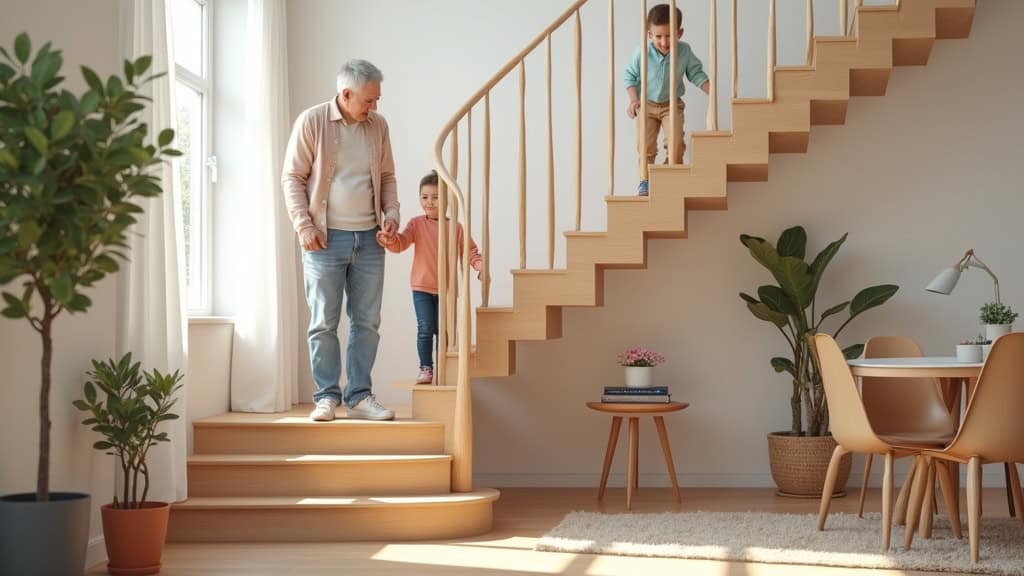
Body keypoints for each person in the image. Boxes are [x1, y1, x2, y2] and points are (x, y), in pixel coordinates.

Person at [282, 59, 400, 422]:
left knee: (367, 322)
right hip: (323, 240)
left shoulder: (378, 126)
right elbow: (292, 178)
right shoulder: (312, 121)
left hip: (369, 239)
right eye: (368, 100)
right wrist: (304, 226)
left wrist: (392, 215)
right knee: (323, 322)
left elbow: (388, 177)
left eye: (377, 99)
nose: (374, 107)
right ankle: (326, 397)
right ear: (345, 94)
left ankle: (360, 395)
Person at [377, 171, 482, 385]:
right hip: (421, 287)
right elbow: (402, 243)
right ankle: (426, 368)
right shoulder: (416, 224)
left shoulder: (457, 228)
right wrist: (389, 240)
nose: (429, 201)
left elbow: (470, 252)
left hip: (447, 289)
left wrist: (479, 266)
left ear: (446, 200)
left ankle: (443, 368)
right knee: (425, 328)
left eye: (435, 197)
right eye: (424, 197)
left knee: (443, 332)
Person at [624, 4, 710, 196]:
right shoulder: (642, 53)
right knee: (645, 146)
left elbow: (695, 73)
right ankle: (645, 180)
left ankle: (667, 174)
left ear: (680, 33)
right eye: (658, 36)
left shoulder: (684, 51)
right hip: (646, 104)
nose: (664, 42)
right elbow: (629, 76)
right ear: (649, 35)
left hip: (671, 105)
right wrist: (633, 100)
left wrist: (709, 88)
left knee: (676, 143)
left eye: (669, 35)